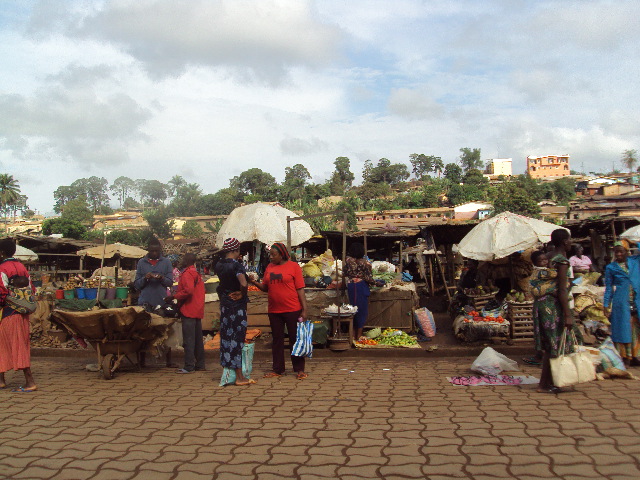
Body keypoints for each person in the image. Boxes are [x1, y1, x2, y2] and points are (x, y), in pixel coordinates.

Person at [249, 242, 308, 380]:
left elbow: (300, 289)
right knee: (277, 340)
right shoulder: (269, 267)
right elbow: (265, 288)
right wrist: (254, 282)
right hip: (274, 311)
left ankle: (299, 369)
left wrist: (305, 309)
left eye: (273, 255)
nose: (271, 257)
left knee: (295, 340)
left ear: (282, 255)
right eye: (270, 254)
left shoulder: (293, 267)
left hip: (293, 309)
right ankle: (278, 369)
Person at [531, 229, 575, 394]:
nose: (571, 242)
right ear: (564, 242)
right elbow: (562, 290)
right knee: (554, 344)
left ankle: (548, 382)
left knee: (550, 345)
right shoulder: (562, 261)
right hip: (552, 306)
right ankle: (545, 384)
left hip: (540, 305)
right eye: (570, 240)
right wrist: (568, 314)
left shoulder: (547, 256)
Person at [215, 238, 255, 386]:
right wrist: (242, 293)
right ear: (235, 250)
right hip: (236, 306)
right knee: (237, 339)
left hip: (225, 305)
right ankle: (239, 377)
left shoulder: (218, 265)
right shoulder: (236, 265)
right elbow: (243, 283)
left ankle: (228, 373)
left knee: (226, 337)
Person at [0, 238, 37, 392]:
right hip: (22, 313)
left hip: (8, 312)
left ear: (1, 252)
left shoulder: (3, 268)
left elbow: (1, 291)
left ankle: (30, 382)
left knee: (14, 345)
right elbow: (32, 289)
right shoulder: (22, 267)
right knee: (10, 343)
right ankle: (1, 380)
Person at [134, 238, 176, 367]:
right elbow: (136, 285)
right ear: (148, 251)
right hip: (145, 301)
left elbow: (170, 282)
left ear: (160, 251)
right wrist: (145, 278)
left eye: (156, 251)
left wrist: (162, 278)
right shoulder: (141, 262)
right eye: (151, 251)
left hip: (161, 302)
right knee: (143, 331)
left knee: (165, 330)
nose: (154, 253)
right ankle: (142, 361)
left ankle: (168, 360)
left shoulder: (166, 262)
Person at [166, 253, 206, 373]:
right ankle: (200, 364)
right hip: (197, 309)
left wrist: (174, 296)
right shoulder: (196, 273)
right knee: (198, 340)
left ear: (187, 261)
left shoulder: (187, 274)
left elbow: (188, 291)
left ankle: (189, 366)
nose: (181, 261)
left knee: (189, 340)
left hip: (188, 309)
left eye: (183, 259)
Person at [603, 242, 640, 367]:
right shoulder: (611, 267)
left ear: (627, 251)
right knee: (623, 329)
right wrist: (606, 305)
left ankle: (635, 356)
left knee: (635, 327)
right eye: (616, 252)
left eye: (621, 251)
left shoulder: (634, 263)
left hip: (636, 299)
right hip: (621, 301)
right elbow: (608, 287)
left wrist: (635, 242)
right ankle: (625, 357)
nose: (618, 254)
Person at [343, 242, 377, 340]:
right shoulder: (366, 263)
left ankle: (352, 336)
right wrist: (377, 283)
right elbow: (369, 279)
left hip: (351, 286)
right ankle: (358, 336)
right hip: (361, 287)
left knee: (353, 310)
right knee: (362, 311)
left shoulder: (348, 261)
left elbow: (344, 273)